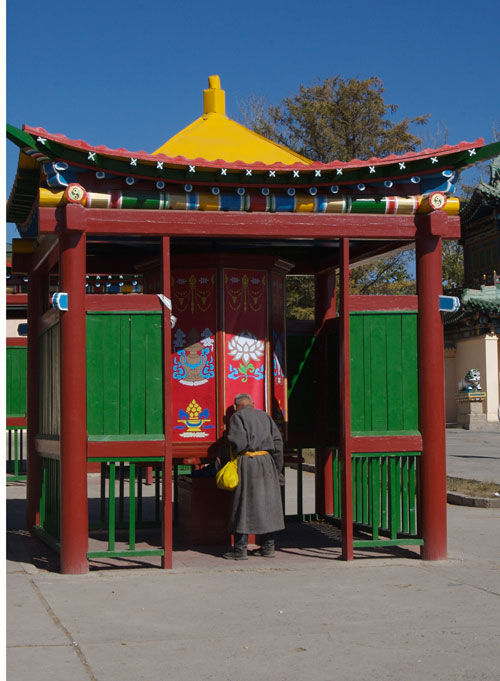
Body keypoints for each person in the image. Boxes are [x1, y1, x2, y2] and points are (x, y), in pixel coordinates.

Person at [221, 393, 285, 560]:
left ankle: (240, 548)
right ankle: (268, 547)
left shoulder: (237, 417)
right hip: (268, 462)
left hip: (248, 463)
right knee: (267, 504)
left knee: (243, 504)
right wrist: (277, 468)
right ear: (253, 404)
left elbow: (239, 443)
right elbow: (278, 443)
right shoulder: (265, 416)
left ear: (236, 407)